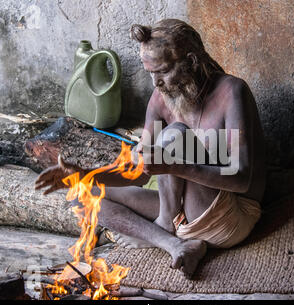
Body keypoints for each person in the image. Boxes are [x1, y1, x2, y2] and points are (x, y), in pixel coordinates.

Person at [35, 19, 267, 278]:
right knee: (86, 193)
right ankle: (174, 243)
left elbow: (242, 180)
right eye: (150, 73)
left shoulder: (231, 92)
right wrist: (83, 174)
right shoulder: (161, 97)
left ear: (190, 62)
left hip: (231, 214)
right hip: (184, 212)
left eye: (163, 71)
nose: (156, 82)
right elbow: (139, 171)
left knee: (175, 135)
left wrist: (175, 166)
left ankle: (164, 228)